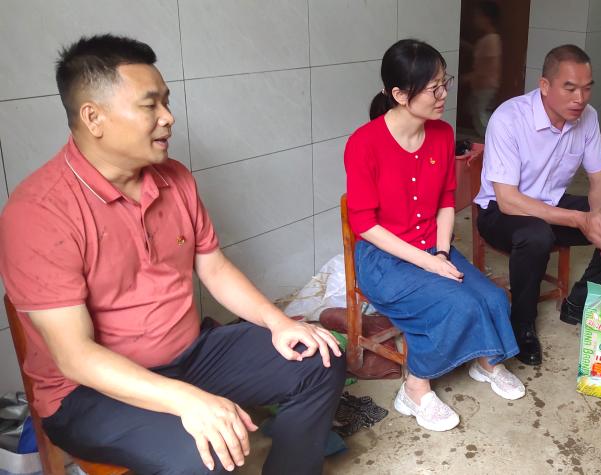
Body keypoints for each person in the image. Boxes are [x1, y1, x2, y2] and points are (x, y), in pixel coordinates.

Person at [0, 35, 345, 474]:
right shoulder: (39, 213)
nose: (168, 117)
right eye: (150, 105)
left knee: (321, 358)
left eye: (166, 101)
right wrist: (188, 401)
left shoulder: (174, 178)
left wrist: (279, 322)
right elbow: (75, 356)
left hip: (190, 356)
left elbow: (214, 268)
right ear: (93, 117)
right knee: (204, 453)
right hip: (89, 393)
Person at [345, 39, 523, 432]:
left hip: (432, 246)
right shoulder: (364, 143)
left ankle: (486, 362)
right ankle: (414, 387)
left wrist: (441, 254)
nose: (444, 95)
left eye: (445, 83)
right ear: (399, 94)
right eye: (433, 88)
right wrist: (428, 263)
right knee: (458, 304)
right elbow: (365, 224)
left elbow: (445, 200)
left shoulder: (442, 134)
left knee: (493, 297)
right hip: (383, 259)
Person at [474, 45, 601, 366]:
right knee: (536, 234)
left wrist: (595, 216)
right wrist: (579, 219)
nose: (580, 98)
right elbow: (508, 200)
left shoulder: (588, 117)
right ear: (544, 86)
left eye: (587, 88)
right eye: (570, 88)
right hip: (500, 211)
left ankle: (579, 303)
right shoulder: (509, 118)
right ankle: (521, 324)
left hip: (552, 204)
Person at [465, 0, 503, 138]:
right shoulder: (488, 39)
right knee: (474, 110)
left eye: (477, 16)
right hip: (481, 86)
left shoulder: (491, 40)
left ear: (486, 18)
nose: (475, 19)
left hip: (486, 86)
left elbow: (488, 67)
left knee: (481, 117)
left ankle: (493, 140)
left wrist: (468, 78)